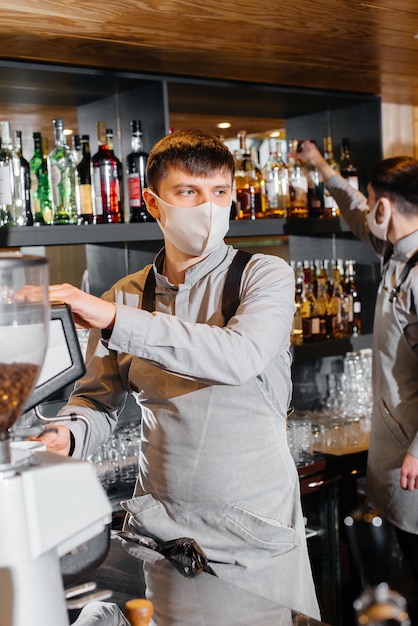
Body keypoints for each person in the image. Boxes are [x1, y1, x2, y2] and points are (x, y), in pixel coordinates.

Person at [35, 130, 320, 618]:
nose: (207, 208)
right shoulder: (123, 294)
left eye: (220, 193)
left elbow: (239, 355)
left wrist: (113, 320)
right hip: (168, 540)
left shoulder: (263, 276)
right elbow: (96, 402)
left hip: (255, 543)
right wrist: (66, 434)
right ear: (153, 202)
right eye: (188, 192)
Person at [296, 140, 418, 582]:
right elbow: (350, 209)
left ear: (384, 208)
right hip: (396, 450)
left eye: (371, 204)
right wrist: (320, 166)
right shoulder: (395, 254)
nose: (366, 211)